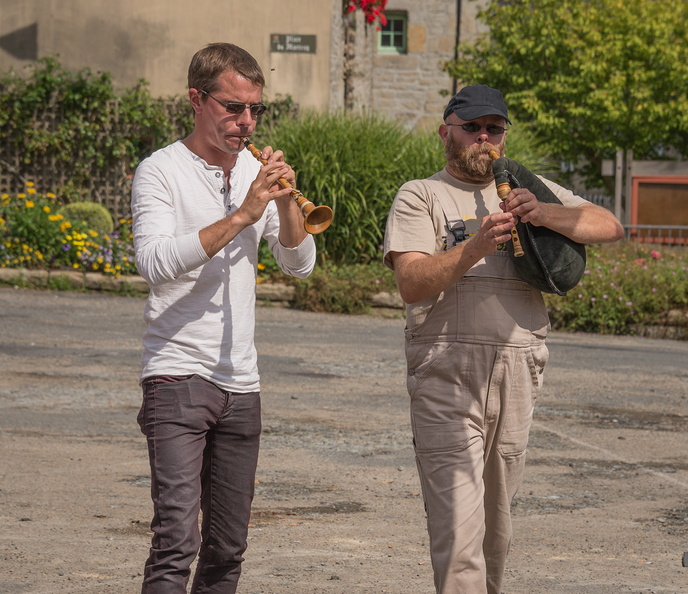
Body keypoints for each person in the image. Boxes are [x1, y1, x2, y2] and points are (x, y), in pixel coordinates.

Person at [383, 84, 623, 594]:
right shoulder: (420, 193)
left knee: (496, 526)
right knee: (457, 524)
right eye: (472, 127)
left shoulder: (527, 187)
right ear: (446, 130)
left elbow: (610, 226)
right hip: (446, 369)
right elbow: (411, 282)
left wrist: (544, 213)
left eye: (494, 128)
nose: (484, 137)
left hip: (519, 366)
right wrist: (474, 248)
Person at [131, 43, 316, 593]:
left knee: (228, 547)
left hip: (242, 381)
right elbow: (155, 263)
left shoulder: (253, 173)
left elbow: (299, 264)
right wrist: (242, 214)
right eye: (233, 108)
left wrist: (284, 204)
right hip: (176, 375)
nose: (246, 122)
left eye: (255, 110)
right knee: (175, 541)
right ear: (196, 99)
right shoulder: (160, 170)